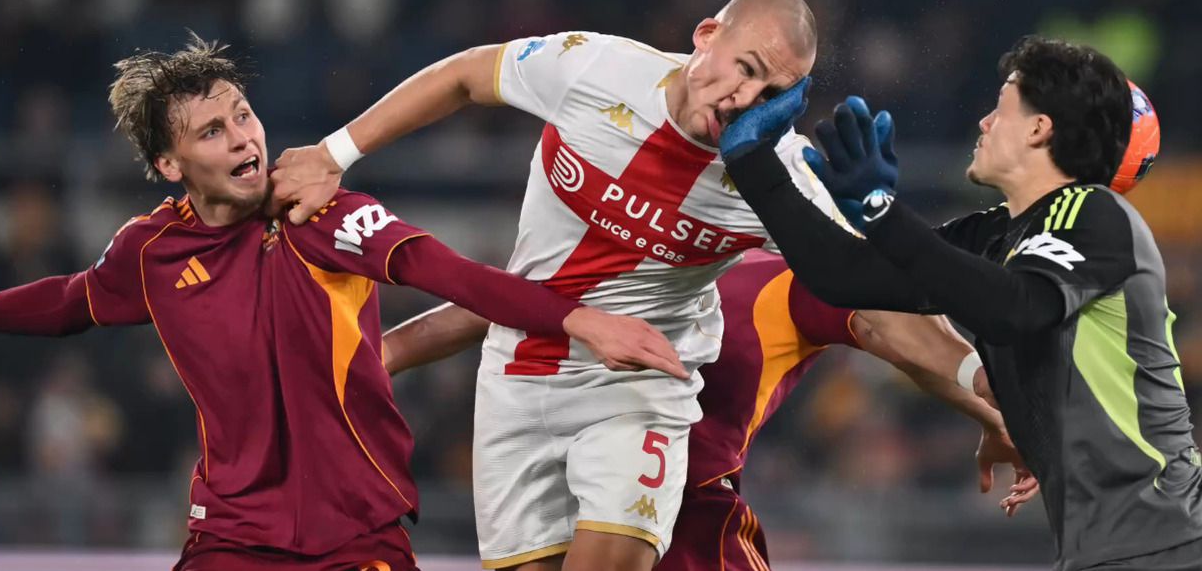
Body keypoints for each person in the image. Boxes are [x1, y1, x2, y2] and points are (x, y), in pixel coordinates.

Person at [267, 0, 999, 571]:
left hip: (638, 388)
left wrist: (991, 397)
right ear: (706, 34)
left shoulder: (775, 177)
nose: (744, 99)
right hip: (516, 379)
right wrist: (335, 154)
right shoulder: (597, 70)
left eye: (772, 91)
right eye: (745, 67)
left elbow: (878, 302)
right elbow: (464, 78)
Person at [0, 34, 682, 571]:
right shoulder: (149, 252)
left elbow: (451, 273)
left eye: (242, 115)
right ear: (168, 163)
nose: (242, 138)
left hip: (358, 533)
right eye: (212, 132)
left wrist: (578, 319)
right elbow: (70, 302)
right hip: (230, 535)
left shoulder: (322, 215)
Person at [720, 35, 1202, 570]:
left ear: (1039, 129)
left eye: (1000, 109)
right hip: (1112, 552)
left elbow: (1016, 309)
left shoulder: (1095, 213)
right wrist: (750, 159)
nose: (984, 123)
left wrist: (883, 212)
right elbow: (845, 277)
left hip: (1169, 545)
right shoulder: (998, 233)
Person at [380, 250, 1033, 571]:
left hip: (676, 520)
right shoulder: (648, 247)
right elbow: (505, 297)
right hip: (586, 510)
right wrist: (375, 358)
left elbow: (901, 331)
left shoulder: (791, 278)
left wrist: (991, 410)